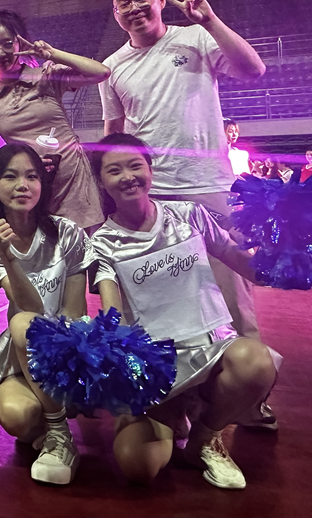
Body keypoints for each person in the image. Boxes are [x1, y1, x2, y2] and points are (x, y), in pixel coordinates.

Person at [86, 133, 279, 490]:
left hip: (213, 347)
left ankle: (205, 438)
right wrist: (119, 357)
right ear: (101, 181)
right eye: (114, 170)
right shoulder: (101, 242)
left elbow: (241, 261)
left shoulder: (188, 214)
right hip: (160, 364)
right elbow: (112, 312)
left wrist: (285, 257)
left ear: (150, 169)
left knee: (256, 362)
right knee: (137, 465)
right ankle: (174, 413)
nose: (127, 177)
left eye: (135, 166)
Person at [99, 0, 266, 347]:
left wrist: (210, 20)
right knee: (166, 295)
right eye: (124, 3)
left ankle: (250, 375)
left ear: (160, 1)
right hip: (154, 195)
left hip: (211, 184)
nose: (134, 7)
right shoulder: (112, 68)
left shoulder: (195, 37)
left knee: (233, 290)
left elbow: (253, 70)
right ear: (115, 14)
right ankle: (181, 375)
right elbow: (114, 133)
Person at [0, 142, 91, 485]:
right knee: (17, 417)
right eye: (10, 176)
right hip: (21, 344)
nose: (22, 185)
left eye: (32, 176)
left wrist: (61, 357)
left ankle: (58, 433)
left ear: (42, 184)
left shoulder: (67, 233)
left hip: (67, 342)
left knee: (25, 325)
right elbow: (30, 307)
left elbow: (73, 311)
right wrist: (8, 257)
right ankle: (50, 429)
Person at [0, 9, 108, 231]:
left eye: (8, 44)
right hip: (29, 188)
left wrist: (52, 54)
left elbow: (100, 73)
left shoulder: (46, 76)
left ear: (21, 43)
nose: (0, 52)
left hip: (72, 182)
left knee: (83, 248)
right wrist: (17, 167)